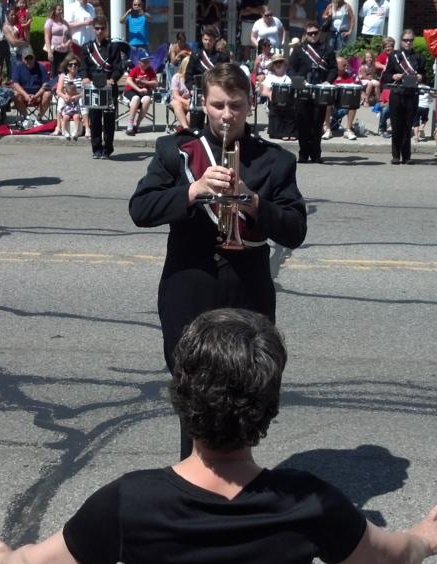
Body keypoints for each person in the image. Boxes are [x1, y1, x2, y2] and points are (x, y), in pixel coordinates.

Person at [0, 308, 437, 564]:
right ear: (269, 405)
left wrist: (6, 558)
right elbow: (385, 555)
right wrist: (425, 540)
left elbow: (42, 561)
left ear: (182, 398)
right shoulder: (309, 502)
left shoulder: (129, 501)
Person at [129, 64, 307, 458]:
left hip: (248, 289)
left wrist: (252, 199)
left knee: (246, 390)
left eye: (236, 106)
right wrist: (192, 190)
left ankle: (237, 484)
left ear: (250, 104)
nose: (227, 115)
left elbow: (295, 230)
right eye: (218, 105)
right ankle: (192, 481)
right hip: (189, 286)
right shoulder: (176, 151)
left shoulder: (274, 161)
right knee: (192, 391)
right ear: (202, 105)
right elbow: (140, 210)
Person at [289, 21, 337, 164]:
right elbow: (290, 69)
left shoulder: (327, 49)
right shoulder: (299, 50)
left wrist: (328, 81)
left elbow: (333, 68)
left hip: (320, 90)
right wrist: (299, 80)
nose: (314, 35)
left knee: (317, 124)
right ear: (305, 34)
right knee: (303, 124)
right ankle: (303, 154)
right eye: (310, 33)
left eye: (316, 33)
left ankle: (316, 154)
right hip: (303, 90)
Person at [81, 16, 124, 159]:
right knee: (95, 118)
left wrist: (112, 79)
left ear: (106, 29)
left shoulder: (113, 47)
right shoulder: (87, 47)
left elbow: (119, 67)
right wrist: (85, 77)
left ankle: (107, 149)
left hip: (108, 87)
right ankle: (96, 148)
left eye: (102, 28)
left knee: (109, 119)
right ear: (93, 29)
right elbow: (84, 67)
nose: (99, 31)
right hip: (94, 87)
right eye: (97, 28)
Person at [382, 29, 424, 164]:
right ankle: (395, 155)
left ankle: (406, 156)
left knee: (407, 126)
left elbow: (425, 76)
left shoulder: (419, 57)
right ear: (401, 41)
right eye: (405, 40)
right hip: (397, 94)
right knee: (396, 125)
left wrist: (420, 77)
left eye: (411, 40)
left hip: (412, 94)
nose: (408, 43)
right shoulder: (394, 57)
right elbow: (385, 77)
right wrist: (393, 76)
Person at [185, 26, 231, 130]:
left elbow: (226, 75)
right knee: (196, 126)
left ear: (214, 41)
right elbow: (188, 74)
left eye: (210, 40)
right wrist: (191, 89)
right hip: (199, 93)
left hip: (216, 93)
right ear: (202, 40)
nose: (207, 42)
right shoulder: (196, 56)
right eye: (205, 39)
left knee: (214, 124)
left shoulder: (223, 56)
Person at [10, 46, 52, 127]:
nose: (29, 60)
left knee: (48, 94)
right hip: (23, 95)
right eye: (26, 58)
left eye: (31, 58)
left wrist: (36, 96)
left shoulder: (41, 67)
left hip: (38, 94)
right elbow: (15, 83)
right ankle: (27, 118)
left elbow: (45, 84)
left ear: (34, 58)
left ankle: (38, 118)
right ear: (22, 59)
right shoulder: (18, 67)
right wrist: (26, 95)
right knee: (15, 94)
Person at [259, 53, 296, 140]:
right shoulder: (270, 77)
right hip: (274, 103)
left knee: (292, 109)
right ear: (273, 66)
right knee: (278, 108)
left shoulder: (289, 78)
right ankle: (281, 133)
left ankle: (291, 133)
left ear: (284, 64)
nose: (278, 64)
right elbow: (263, 91)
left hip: (288, 103)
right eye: (276, 63)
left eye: (280, 62)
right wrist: (271, 94)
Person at [323, 55, 360, 140]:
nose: (346, 67)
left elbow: (352, 88)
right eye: (344, 65)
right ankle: (328, 129)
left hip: (343, 105)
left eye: (346, 65)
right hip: (331, 106)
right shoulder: (329, 77)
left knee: (353, 105)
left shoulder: (348, 76)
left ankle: (348, 130)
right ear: (337, 65)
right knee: (326, 104)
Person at [123, 54, 158, 135]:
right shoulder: (135, 69)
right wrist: (138, 89)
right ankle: (130, 126)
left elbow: (155, 83)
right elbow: (128, 81)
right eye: (145, 61)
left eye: (148, 61)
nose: (147, 63)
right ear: (140, 62)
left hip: (144, 93)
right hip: (131, 92)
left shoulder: (150, 70)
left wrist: (145, 82)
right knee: (136, 98)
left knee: (147, 100)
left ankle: (137, 124)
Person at [56, 55, 86, 139]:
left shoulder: (81, 77)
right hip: (66, 101)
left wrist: (78, 96)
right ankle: (58, 127)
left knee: (82, 101)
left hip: (77, 101)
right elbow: (58, 91)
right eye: (70, 64)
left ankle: (86, 128)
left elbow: (85, 92)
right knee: (60, 101)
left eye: (75, 64)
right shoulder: (63, 76)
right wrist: (64, 96)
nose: (73, 66)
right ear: (67, 66)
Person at [43, 3, 72, 79]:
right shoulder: (50, 22)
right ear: (54, 11)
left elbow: (70, 37)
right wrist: (49, 52)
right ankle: (54, 88)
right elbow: (47, 37)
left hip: (65, 51)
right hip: (55, 50)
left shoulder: (65, 22)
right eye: (59, 9)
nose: (61, 11)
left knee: (65, 71)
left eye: (61, 9)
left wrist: (67, 44)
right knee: (55, 71)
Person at [170, 58, 193, 130]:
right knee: (177, 103)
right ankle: (186, 127)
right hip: (177, 100)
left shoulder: (193, 78)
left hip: (190, 102)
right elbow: (175, 95)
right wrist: (186, 101)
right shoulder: (176, 77)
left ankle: (182, 127)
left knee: (193, 106)